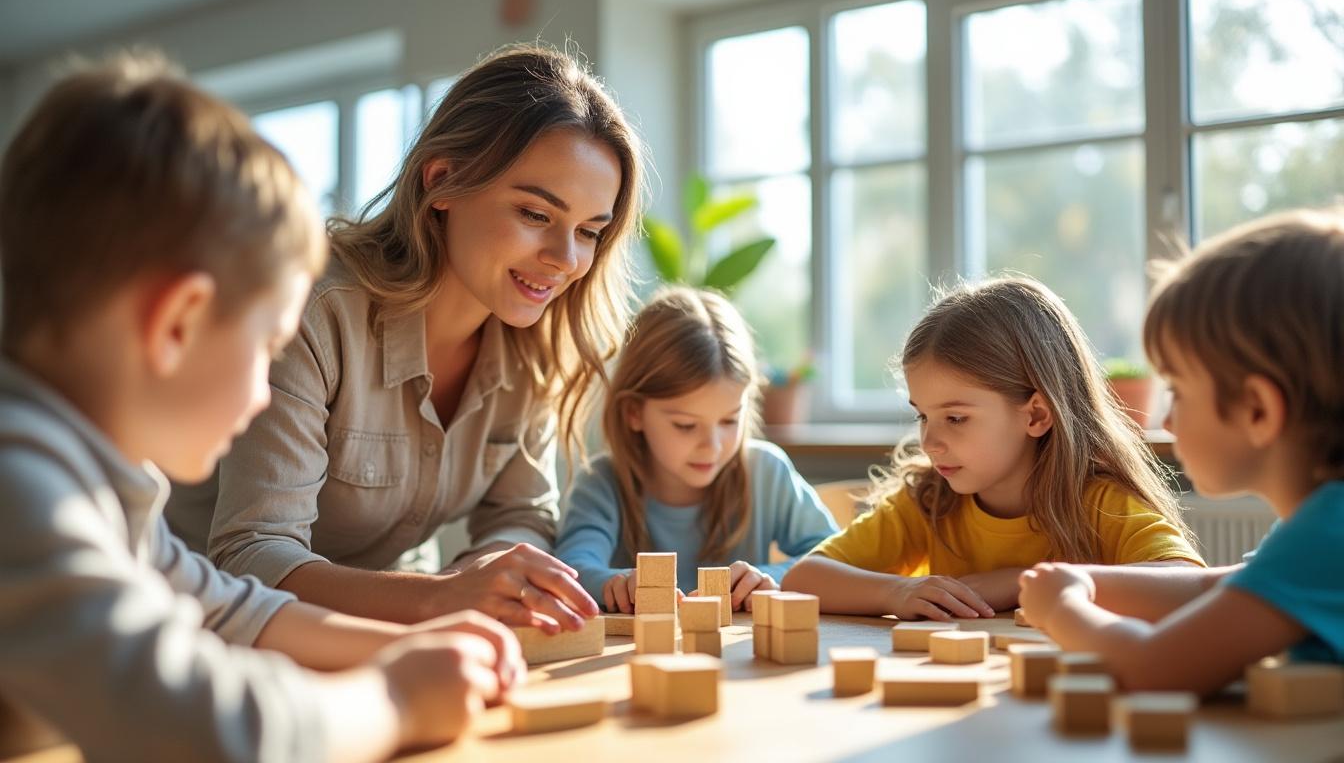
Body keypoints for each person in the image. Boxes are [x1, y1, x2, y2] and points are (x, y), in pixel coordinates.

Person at [0, 53, 523, 762]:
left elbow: (227, 609)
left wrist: (412, 646)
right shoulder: (21, 490)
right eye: (267, 345)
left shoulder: (96, 483)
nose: (264, 395)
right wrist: (395, 699)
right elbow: (198, 731)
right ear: (177, 324)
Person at [166, 43, 647, 631]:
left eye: (590, 231)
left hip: (400, 636)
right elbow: (251, 557)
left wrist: (482, 582)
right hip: (203, 635)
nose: (565, 259)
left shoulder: (535, 343)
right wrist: (445, 598)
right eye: (536, 215)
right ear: (442, 181)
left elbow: (520, 515)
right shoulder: (315, 313)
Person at [1019, 209, 1344, 691]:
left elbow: (1153, 668)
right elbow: (1211, 586)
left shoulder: (1328, 536)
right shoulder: (1319, 525)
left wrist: (1064, 609)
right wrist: (1075, 579)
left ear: (1257, 410)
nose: (1166, 421)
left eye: (1179, 392)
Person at [783, 277, 1204, 619]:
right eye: (922, 416)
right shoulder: (927, 502)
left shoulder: (1099, 503)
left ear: (1036, 415)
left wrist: (1024, 580)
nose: (929, 442)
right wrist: (897, 591)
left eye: (956, 418)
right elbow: (804, 577)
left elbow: (1188, 583)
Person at [556, 287, 838, 612]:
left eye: (730, 421)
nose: (713, 446)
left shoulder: (766, 471)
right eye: (686, 426)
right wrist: (611, 584)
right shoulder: (601, 482)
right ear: (634, 412)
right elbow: (573, 567)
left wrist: (770, 577)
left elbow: (832, 554)